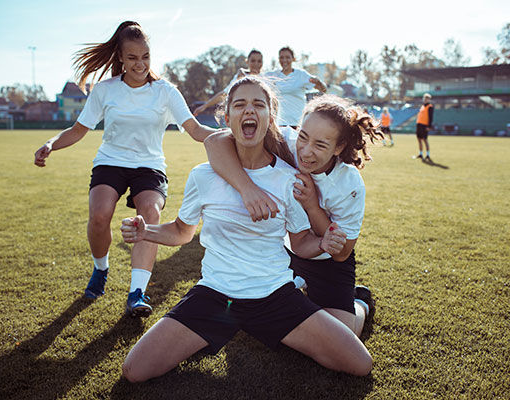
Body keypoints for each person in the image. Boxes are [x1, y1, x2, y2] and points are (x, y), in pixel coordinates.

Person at [117, 76, 371, 382]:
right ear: (227, 119)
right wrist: (147, 232)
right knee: (135, 370)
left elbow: (304, 242)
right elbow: (183, 231)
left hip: (275, 295)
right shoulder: (203, 176)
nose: (249, 111)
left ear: (270, 117)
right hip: (215, 295)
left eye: (258, 105)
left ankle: (349, 303)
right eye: (239, 105)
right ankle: (236, 323)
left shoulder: (292, 179)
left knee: (359, 363)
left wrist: (323, 241)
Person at [32, 20, 222, 317]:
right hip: (111, 162)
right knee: (99, 216)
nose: (140, 64)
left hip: (149, 166)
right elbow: (78, 130)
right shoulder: (105, 90)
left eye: (145, 57)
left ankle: (136, 292)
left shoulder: (165, 92)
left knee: (150, 214)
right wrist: (51, 143)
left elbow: (197, 130)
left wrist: (233, 138)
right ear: (120, 58)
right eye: (132, 58)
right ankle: (100, 269)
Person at [203, 94, 388, 339]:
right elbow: (215, 142)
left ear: (339, 147)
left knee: (341, 334)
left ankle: (360, 303)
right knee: (255, 320)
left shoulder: (349, 184)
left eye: (320, 145)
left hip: (326, 262)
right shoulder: (285, 142)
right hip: (283, 250)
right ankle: (296, 286)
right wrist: (248, 189)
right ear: (298, 130)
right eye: (303, 136)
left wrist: (312, 206)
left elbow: (341, 252)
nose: (306, 151)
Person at [263, 47, 327, 128]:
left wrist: (319, 83)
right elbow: (256, 77)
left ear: (293, 59)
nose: (284, 60)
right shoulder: (273, 75)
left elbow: (323, 89)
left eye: (287, 57)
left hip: (297, 122)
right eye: (281, 57)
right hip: (278, 123)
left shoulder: (301, 75)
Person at [191, 49, 266, 116]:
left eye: (259, 61)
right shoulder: (240, 76)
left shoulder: (267, 78)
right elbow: (224, 94)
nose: (256, 64)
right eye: (253, 61)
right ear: (247, 61)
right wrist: (204, 106)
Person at [415, 94, 434, 159]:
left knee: (425, 140)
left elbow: (430, 117)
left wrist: (429, 126)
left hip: (424, 125)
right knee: (419, 139)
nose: (425, 99)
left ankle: (428, 154)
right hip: (419, 125)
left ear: (429, 99)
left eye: (427, 98)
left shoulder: (430, 106)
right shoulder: (422, 106)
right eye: (424, 98)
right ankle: (420, 154)